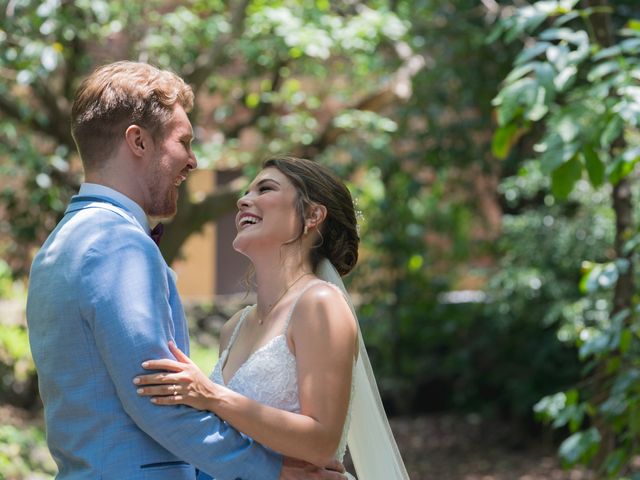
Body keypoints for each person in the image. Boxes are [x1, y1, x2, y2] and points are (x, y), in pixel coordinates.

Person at [26, 61, 342, 479]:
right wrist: (275, 471)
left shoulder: (58, 245)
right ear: (138, 141)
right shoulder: (118, 243)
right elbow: (158, 398)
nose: (192, 161)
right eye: (184, 142)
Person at [134, 156, 410, 479]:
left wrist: (210, 395)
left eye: (265, 189)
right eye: (247, 192)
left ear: (312, 215)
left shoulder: (320, 304)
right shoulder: (233, 327)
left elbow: (322, 442)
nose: (242, 201)